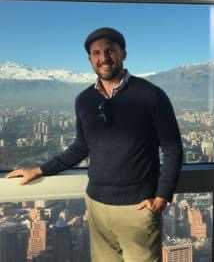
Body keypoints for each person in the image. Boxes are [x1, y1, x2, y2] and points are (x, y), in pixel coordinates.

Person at [6, 27, 183, 262]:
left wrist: (162, 197)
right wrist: (39, 170)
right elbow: (80, 147)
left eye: (110, 50)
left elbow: (172, 147)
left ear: (123, 54)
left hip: (138, 208)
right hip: (97, 206)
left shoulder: (150, 95)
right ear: (90, 59)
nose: (103, 58)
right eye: (96, 53)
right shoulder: (84, 100)